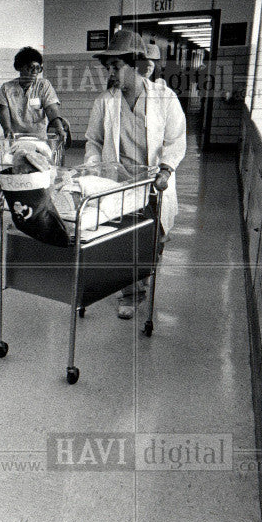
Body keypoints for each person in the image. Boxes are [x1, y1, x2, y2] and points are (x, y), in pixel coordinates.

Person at [84, 30, 187, 320]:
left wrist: (166, 169)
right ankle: (131, 292)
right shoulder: (105, 101)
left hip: (155, 183)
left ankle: (142, 278)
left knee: (155, 240)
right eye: (109, 68)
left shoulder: (165, 98)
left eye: (116, 67)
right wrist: (95, 166)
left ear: (134, 65)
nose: (111, 73)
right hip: (119, 184)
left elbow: (175, 140)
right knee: (124, 239)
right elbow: (93, 140)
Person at [0, 47, 70, 144]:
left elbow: (51, 109)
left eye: (38, 68)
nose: (35, 72)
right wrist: (7, 129)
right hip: (16, 138)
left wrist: (59, 127)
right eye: (31, 68)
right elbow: (3, 112)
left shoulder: (43, 85)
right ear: (19, 67)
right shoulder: (7, 88)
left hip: (39, 139)